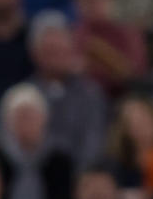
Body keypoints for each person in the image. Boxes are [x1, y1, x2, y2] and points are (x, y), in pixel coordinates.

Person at [27, 10, 108, 170]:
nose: (57, 57)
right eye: (50, 52)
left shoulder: (91, 93)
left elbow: (95, 142)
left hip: (83, 178)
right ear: (35, 54)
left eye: (61, 50)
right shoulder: (25, 97)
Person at [0, 82, 73, 199]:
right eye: (19, 117)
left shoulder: (60, 161)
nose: (25, 124)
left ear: (44, 119)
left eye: (30, 117)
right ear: (7, 122)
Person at [72, 0, 148, 98]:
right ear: (78, 2)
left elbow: (134, 74)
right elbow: (72, 73)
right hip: (83, 103)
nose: (95, 4)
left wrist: (99, 53)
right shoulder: (72, 37)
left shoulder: (129, 33)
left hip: (124, 100)